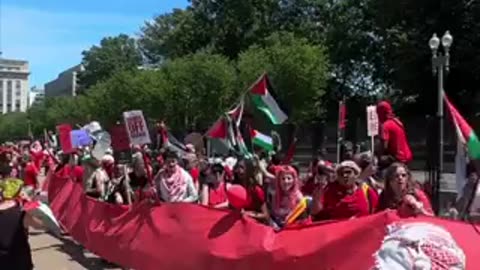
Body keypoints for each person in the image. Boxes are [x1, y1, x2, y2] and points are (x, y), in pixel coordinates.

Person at [311, 160, 378, 220]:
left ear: (356, 174)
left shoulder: (366, 191)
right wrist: (316, 200)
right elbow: (317, 214)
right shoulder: (329, 191)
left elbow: (377, 214)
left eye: (348, 172)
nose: (345, 175)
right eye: (341, 173)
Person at [0, 196, 44, 269]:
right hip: (19, 262)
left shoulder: (20, 213)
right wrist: (31, 205)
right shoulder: (20, 214)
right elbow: (40, 225)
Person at [376, 101, 413, 169]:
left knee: (377, 164)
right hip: (406, 156)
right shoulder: (398, 122)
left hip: (397, 158)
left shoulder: (385, 125)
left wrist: (377, 156)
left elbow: (384, 146)